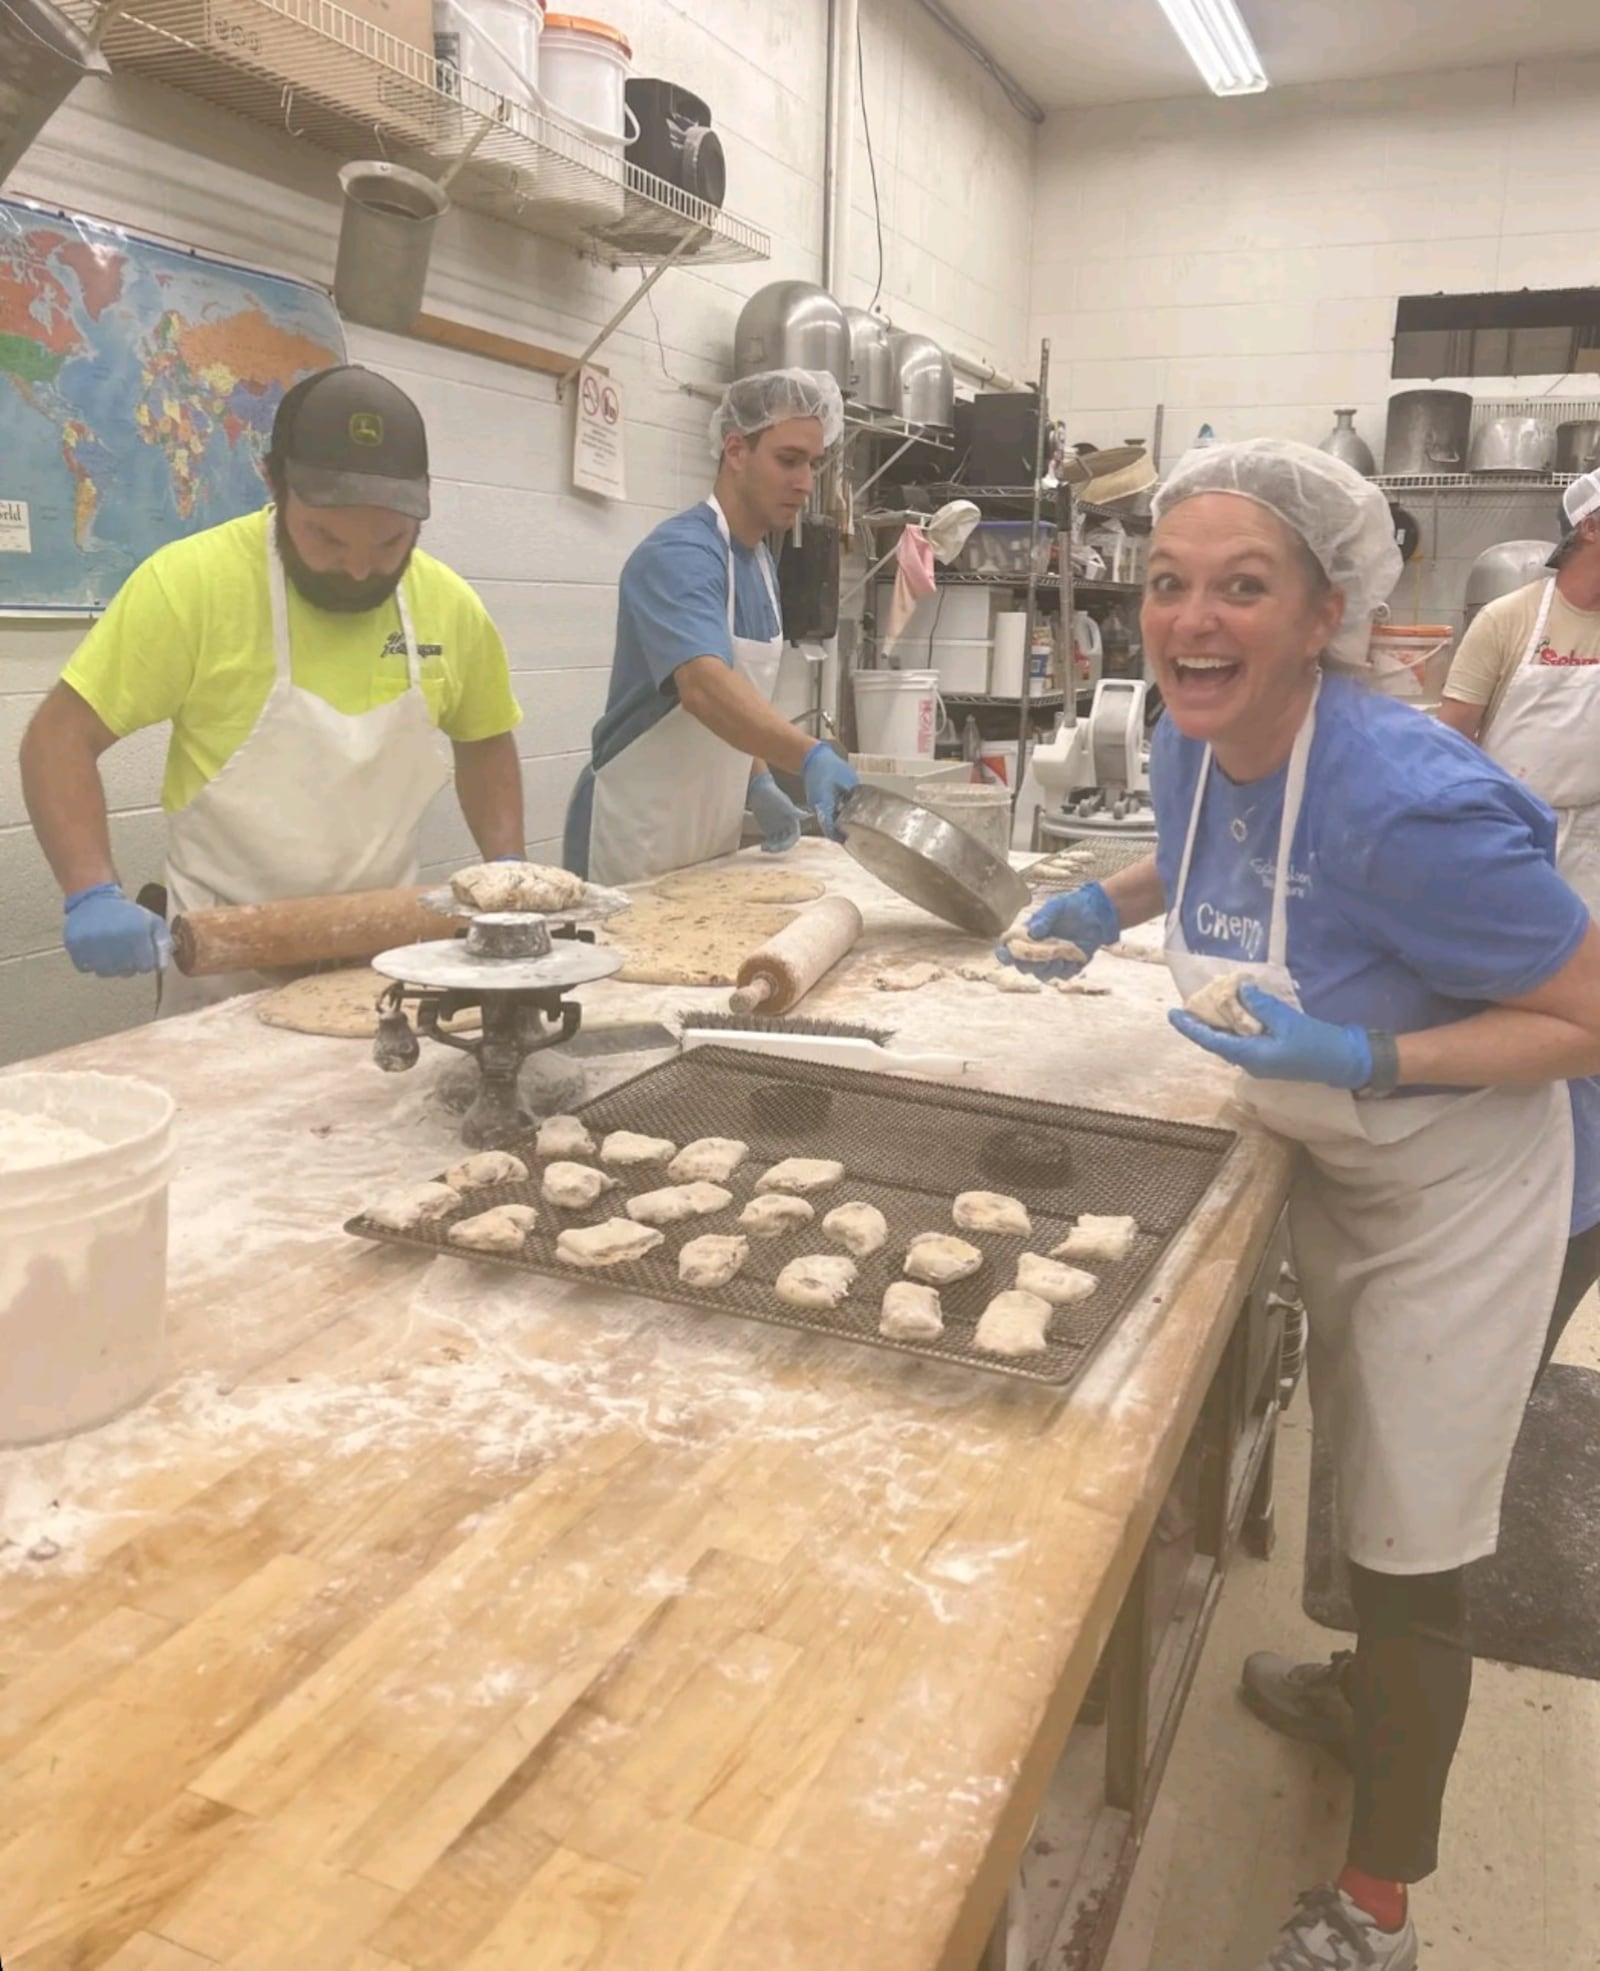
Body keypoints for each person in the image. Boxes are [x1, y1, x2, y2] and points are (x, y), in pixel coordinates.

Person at [1000, 440, 1600, 1971]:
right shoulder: (1196, 723)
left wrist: (1371, 1051)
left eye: (1243, 588)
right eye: (1169, 583)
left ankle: (1380, 1902)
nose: (1193, 619)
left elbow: (1591, 1011)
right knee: (1362, 1469)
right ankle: (1359, 1693)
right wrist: (1105, 899)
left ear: (1326, 610)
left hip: (1464, 1186)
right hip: (1345, 1156)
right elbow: (1204, 845)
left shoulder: (1407, 805)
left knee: (1419, 1544)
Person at [19, 365, 525, 1006]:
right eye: (326, 537)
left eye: (390, 541)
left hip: (382, 958)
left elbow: (484, 741)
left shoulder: (451, 608)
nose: (360, 567)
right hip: (224, 965)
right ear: (273, 483)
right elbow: (59, 738)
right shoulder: (192, 585)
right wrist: (90, 889)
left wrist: (508, 873)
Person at [563, 368, 859, 886]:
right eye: (788, 460)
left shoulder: (761, 563)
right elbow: (703, 687)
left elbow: (737, 697)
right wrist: (806, 754)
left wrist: (758, 779)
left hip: (708, 841)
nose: (805, 483)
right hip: (636, 835)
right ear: (736, 451)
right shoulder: (679, 554)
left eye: (813, 464)